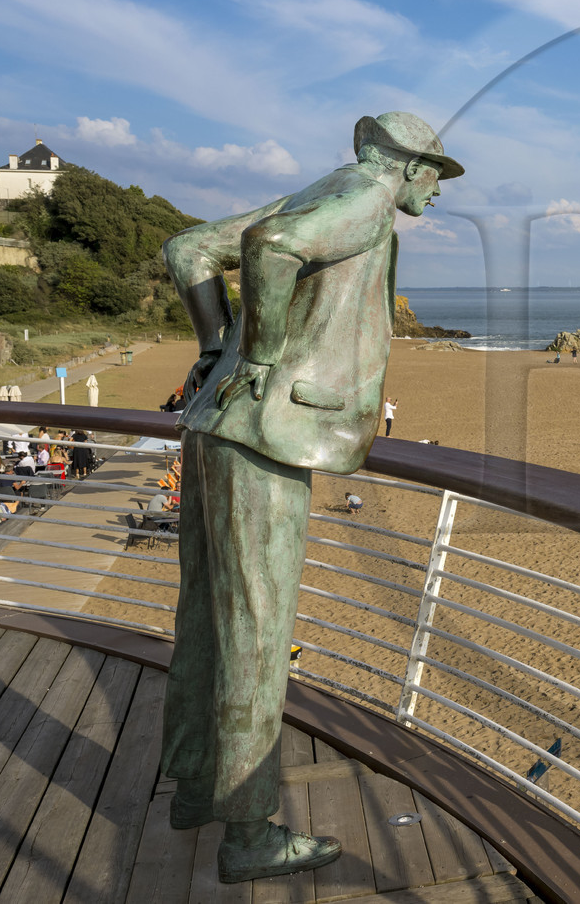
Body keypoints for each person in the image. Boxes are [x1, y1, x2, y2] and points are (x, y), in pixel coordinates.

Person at [159, 111, 460, 883]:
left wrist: (216, 347)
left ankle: (195, 786)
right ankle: (248, 832)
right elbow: (272, 247)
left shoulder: (317, 189)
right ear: (404, 165)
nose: (437, 189)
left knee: (206, 612)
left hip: (212, 426)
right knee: (258, 631)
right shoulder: (365, 199)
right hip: (266, 438)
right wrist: (258, 357)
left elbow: (189, 248)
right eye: (435, 172)